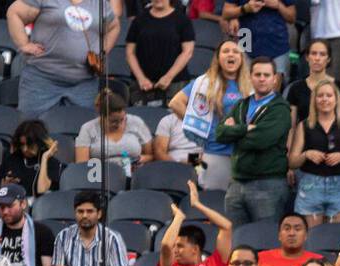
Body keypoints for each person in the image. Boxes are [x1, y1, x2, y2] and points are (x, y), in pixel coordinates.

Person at [215, 56, 292, 229]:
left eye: (266, 75)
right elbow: (219, 133)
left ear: (275, 79)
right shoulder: (240, 105)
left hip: (268, 185)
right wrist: (245, 129)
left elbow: (261, 140)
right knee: (235, 243)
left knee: (264, 242)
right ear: (250, 77)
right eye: (257, 74)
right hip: (236, 184)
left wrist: (234, 132)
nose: (262, 78)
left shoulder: (280, 109)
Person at [7, 0, 119, 115]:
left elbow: (114, 27)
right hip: (41, 80)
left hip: (84, 83)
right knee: (31, 127)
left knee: (80, 130)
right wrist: (24, 44)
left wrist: (101, 51)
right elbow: (15, 13)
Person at [168, 39, 251, 191]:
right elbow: (175, 103)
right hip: (215, 151)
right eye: (225, 51)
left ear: (242, 58)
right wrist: (199, 125)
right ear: (218, 58)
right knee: (215, 203)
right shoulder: (204, 82)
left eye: (235, 51)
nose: (230, 55)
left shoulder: (251, 84)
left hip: (246, 154)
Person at [289, 79, 340, 226]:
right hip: (310, 184)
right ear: (314, 100)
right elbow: (292, 161)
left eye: (329, 95)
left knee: (337, 239)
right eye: (320, 96)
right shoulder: (304, 125)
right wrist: (306, 155)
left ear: (336, 99)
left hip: (339, 184)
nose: (324, 99)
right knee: (311, 238)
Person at [157, 183, 234, 266]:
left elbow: (227, 227)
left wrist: (197, 205)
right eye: (175, 246)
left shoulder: (216, 265)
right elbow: (166, 245)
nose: (175, 250)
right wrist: (178, 218)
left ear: (195, 249)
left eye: (180, 246)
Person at [51, 191, 128, 266]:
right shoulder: (63, 237)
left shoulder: (112, 238)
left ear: (99, 214)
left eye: (90, 211)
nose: (85, 216)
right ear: (75, 213)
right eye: (80, 211)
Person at [125, 0, 194, 103]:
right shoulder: (139, 20)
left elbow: (187, 52)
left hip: (175, 83)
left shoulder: (183, 20)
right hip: (141, 85)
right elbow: (130, 52)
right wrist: (141, 78)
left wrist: (168, 77)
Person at [74, 91, 155, 176]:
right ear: (102, 116)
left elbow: (151, 155)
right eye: (113, 121)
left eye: (122, 119)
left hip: (134, 174)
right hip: (100, 176)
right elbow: (82, 164)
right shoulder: (88, 128)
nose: (119, 124)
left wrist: (141, 159)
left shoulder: (136, 122)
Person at [0, 119, 63, 198]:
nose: (25, 149)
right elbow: (2, 192)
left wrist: (45, 158)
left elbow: (42, 192)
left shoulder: (52, 163)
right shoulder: (12, 159)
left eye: (29, 144)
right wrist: (6, 184)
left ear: (39, 142)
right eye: (22, 144)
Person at [256, 213, 322, 266]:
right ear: (279, 235)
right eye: (287, 229)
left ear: (306, 235)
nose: (292, 233)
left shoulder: (319, 261)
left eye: (297, 229)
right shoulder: (259, 258)